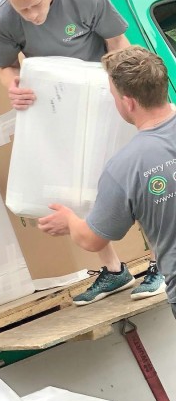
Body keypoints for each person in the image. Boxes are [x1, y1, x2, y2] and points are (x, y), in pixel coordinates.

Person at [0, 0, 164, 304]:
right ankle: (114, 272)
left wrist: (125, 94)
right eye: (22, 10)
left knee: (136, 175)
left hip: (104, 90)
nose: (32, 16)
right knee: (77, 184)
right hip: (58, 100)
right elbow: (5, 66)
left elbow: (118, 43)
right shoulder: (0, 18)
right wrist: (14, 86)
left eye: (37, 5)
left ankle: (161, 263)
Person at [38, 47, 172, 312]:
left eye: (114, 96)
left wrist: (70, 221)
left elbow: (92, 240)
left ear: (129, 102)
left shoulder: (124, 167)